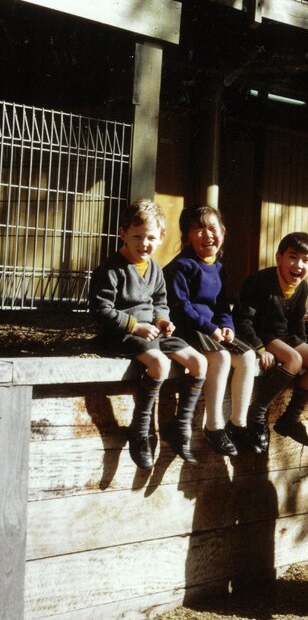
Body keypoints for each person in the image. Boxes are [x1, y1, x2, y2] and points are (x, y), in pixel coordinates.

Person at [90, 199, 206, 469]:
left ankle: (181, 427)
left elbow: (160, 302)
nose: (144, 244)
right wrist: (134, 325)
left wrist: (162, 320)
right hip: (121, 333)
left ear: (161, 237)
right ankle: (140, 428)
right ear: (123, 234)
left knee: (199, 362)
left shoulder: (155, 268)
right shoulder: (110, 269)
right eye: (137, 237)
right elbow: (101, 310)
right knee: (160, 364)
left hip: (152, 332)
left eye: (151, 238)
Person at [164, 205, 257, 456]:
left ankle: (238, 424)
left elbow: (221, 305)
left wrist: (226, 325)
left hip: (211, 329)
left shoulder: (218, 267)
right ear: (186, 237)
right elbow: (180, 308)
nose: (207, 235)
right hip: (187, 327)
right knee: (221, 357)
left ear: (223, 232)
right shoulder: (182, 266)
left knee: (248, 357)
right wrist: (211, 328)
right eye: (198, 229)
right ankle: (214, 426)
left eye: (212, 228)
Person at [235, 231, 308, 453]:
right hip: (260, 334)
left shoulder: (302, 287)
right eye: (293, 257)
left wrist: (305, 345)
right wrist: (258, 348)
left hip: (284, 336)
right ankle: (257, 413)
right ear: (279, 258)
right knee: (293, 360)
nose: (298, 265)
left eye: (306, 260)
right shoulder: (259, 282)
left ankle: (290, 419)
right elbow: (243, 319)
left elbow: (298, 321)